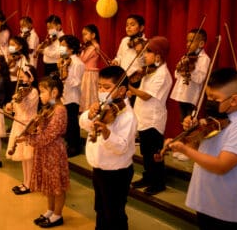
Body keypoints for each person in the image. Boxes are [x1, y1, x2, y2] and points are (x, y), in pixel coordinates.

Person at [160, 68, 237, 230]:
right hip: (207, 201)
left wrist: (185, 150)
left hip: (227, 208)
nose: (209, 102)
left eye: (215, 98)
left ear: (234, 100)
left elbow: (221, 166)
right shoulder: (216, 120)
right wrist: (190, 134)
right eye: (208, 96)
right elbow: (197, 148)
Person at [79, 65, 137, 230]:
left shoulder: (128, 116)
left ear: (121, 90)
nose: (101, 90)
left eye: (107, 87)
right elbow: (84, 124)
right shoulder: (103, 106)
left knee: (115, 214)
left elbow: (121, 147)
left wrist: (106, 133)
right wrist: (89, 115)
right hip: (99, 169)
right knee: (101, 209)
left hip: (117, 173)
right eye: (99, 86)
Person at [128, 36, 172, 195]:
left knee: (155, 153)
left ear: (158, 56)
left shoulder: (163, 74)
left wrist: (129, 87)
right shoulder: (151, 70)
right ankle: (148, 177)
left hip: (153, 120)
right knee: (145, 151)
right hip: (143, 117)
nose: (144, 55)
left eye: (148, 52)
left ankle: (158, 182)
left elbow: (146, 95)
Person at [26, 75, 69, 228]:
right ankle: (50, 210)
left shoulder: (60, 110)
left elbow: (48, 135)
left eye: (42, 92)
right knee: (49, 183)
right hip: (45, 151)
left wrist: (30, 138)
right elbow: (41, 128)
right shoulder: (49, 108)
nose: (40, 95)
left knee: (56, 185)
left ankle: (58, 215)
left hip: (54, 151)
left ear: (54, 92)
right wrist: (35, 127)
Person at [5, 65, 39, 195]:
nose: (21, 78)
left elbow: (26, 108)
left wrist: (18, 100)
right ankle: (25, 181)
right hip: (18, 124)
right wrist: (10, 105)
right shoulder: (21, 90)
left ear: (31, 77)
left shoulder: (33, 92)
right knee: (23, 157)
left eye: (24, 76)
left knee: (28, 157)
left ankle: (29, 184)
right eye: (21, 76)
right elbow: (16, 107)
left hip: (27, 125)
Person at [170, 28, 210, 121]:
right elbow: (176, 75)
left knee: (190, 122)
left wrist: (190, 71)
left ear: (201, 44)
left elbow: (200, 79)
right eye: (187, 41)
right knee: (182, 120)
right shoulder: (186, 56)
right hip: (181, 95)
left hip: (191, 97)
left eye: (191, 41)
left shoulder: (204, 58)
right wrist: (179, 68)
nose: (188, 44)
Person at [57, 35, 85, 157]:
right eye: (60, 46)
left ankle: (75, 146)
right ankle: (69, 143)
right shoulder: (64, 60)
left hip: (73, 96)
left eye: (63, 46)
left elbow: (76, 82)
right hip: (65, 95)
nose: (61, 48)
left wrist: (65, 75)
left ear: (72, 49)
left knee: (72, 121)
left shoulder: (77, 63)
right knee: (67, 121)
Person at [79, 24, 100, 112]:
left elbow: (83, 59)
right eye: (83, 35)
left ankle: (88, 110)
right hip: (86, 72)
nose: (84, 37)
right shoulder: (88, 47)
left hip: (90, 73)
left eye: (85, 34)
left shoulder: (94, 46)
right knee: (85, 93)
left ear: (93, 35)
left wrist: (81, 51)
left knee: (89, 93)